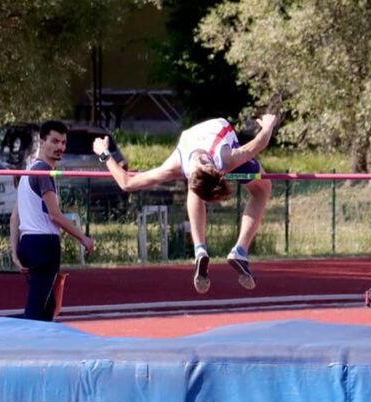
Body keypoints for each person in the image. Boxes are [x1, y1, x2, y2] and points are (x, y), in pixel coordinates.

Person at [94, 114, 278, 294]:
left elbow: (127, 183)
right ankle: (239, 251)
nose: (201, 160)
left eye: (200, 165)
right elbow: (261, 142)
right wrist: (269, 124)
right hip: (223, 143)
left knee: (197, 186)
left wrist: (103, 152)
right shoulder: (226, 158)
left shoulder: (177, 164)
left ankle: (200, 250)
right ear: (216, 168)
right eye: (206, 164)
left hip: (200, 150)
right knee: (263, 189)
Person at [10, 120, 95, 321]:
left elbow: (15, 217)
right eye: (55, 141)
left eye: (63, 143)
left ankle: (41, 348)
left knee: (47, 307)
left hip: (27, 244)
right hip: (43, 246)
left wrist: (15, 253)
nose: (60, 147)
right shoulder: (43, 173)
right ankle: (9, 342)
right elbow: (54, 215)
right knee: (36, 311)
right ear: (41, 141)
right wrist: (83, 237)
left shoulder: (27, 171)